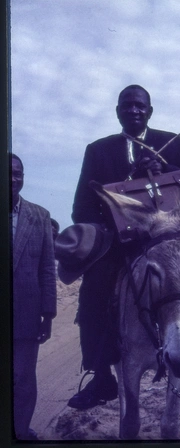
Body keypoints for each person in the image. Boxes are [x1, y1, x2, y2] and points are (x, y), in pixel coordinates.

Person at [66, 84, 180, 411]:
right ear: (117, 112)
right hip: (122, 244)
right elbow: (81, 208)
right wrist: (113, 225)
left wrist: (165, 170)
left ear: (150, 111)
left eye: (139, 106)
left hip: (172, 241)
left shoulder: (176, 144)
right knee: (94, 288)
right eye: (126, 106)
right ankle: (100, 376)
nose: (133, 110)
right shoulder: (98, 150)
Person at [11, 153, 57, 440]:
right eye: (7, 173)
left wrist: (49, 315)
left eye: (18, 173)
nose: (13, 179)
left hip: (26, 314)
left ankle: (19, 431)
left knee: (23, 379)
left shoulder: (39, 216)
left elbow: (47, 271)